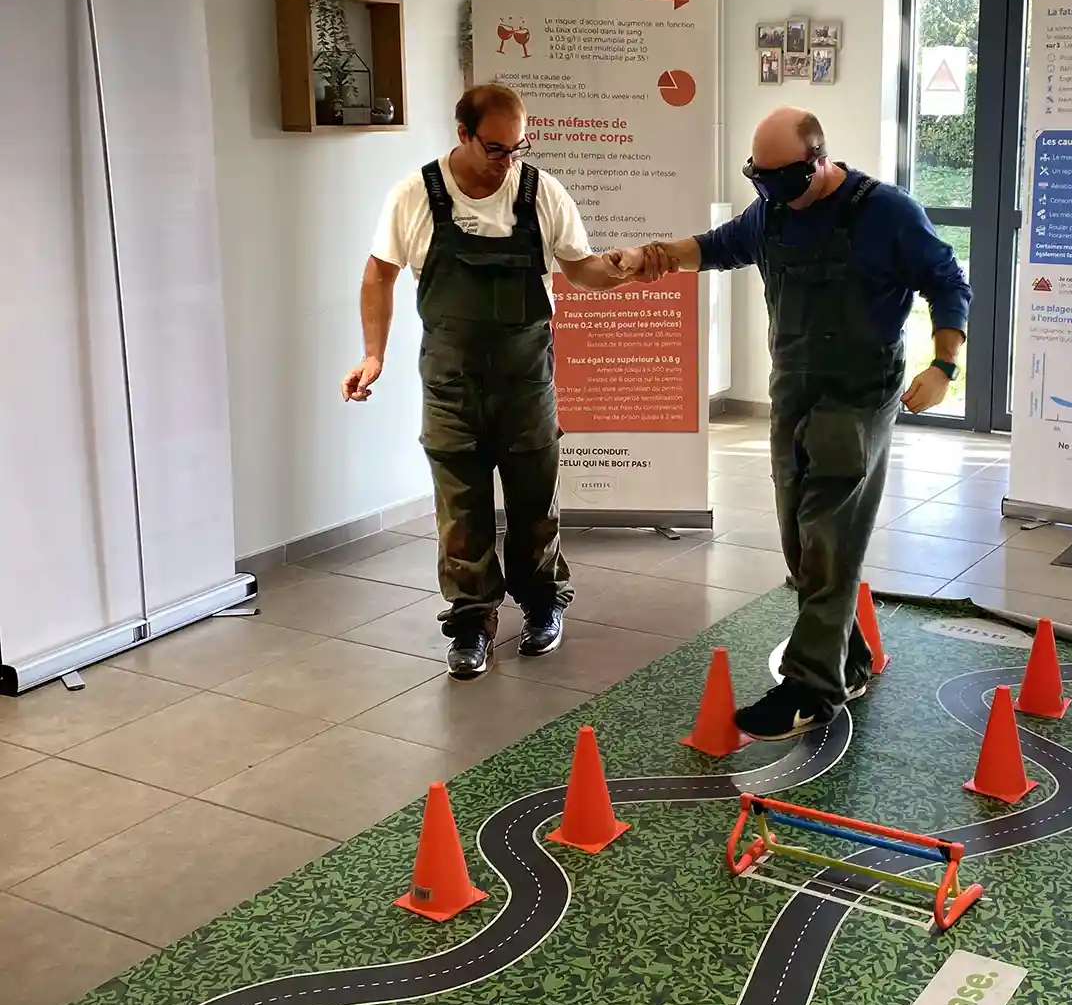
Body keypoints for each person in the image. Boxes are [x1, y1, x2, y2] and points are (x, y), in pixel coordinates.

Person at [616, 107, 970, 740]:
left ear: (818, 161)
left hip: (858, 393)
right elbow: (716, 247)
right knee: (800, 542)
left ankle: (810, 689)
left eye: (782, 180)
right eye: (759, 179)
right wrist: (650, 258)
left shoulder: (887, 212)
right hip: (794, 387)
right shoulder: (771, 212)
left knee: (828, 533)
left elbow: (948, 282)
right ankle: (848, 662)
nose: (771, 193)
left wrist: (943, 364)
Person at [343, 83, 628, 679]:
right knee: (461, 512)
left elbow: (581, 269)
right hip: (450, 384)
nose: (508, 160)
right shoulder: (415, 196)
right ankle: (471, 622)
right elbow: (379, 274)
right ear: (464, 135)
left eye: (519, 147)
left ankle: (543, 606)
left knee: (534, 504)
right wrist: (373, 355)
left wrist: (628, 268)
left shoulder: (542, 193)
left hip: (526, 380)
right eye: (496, 148)